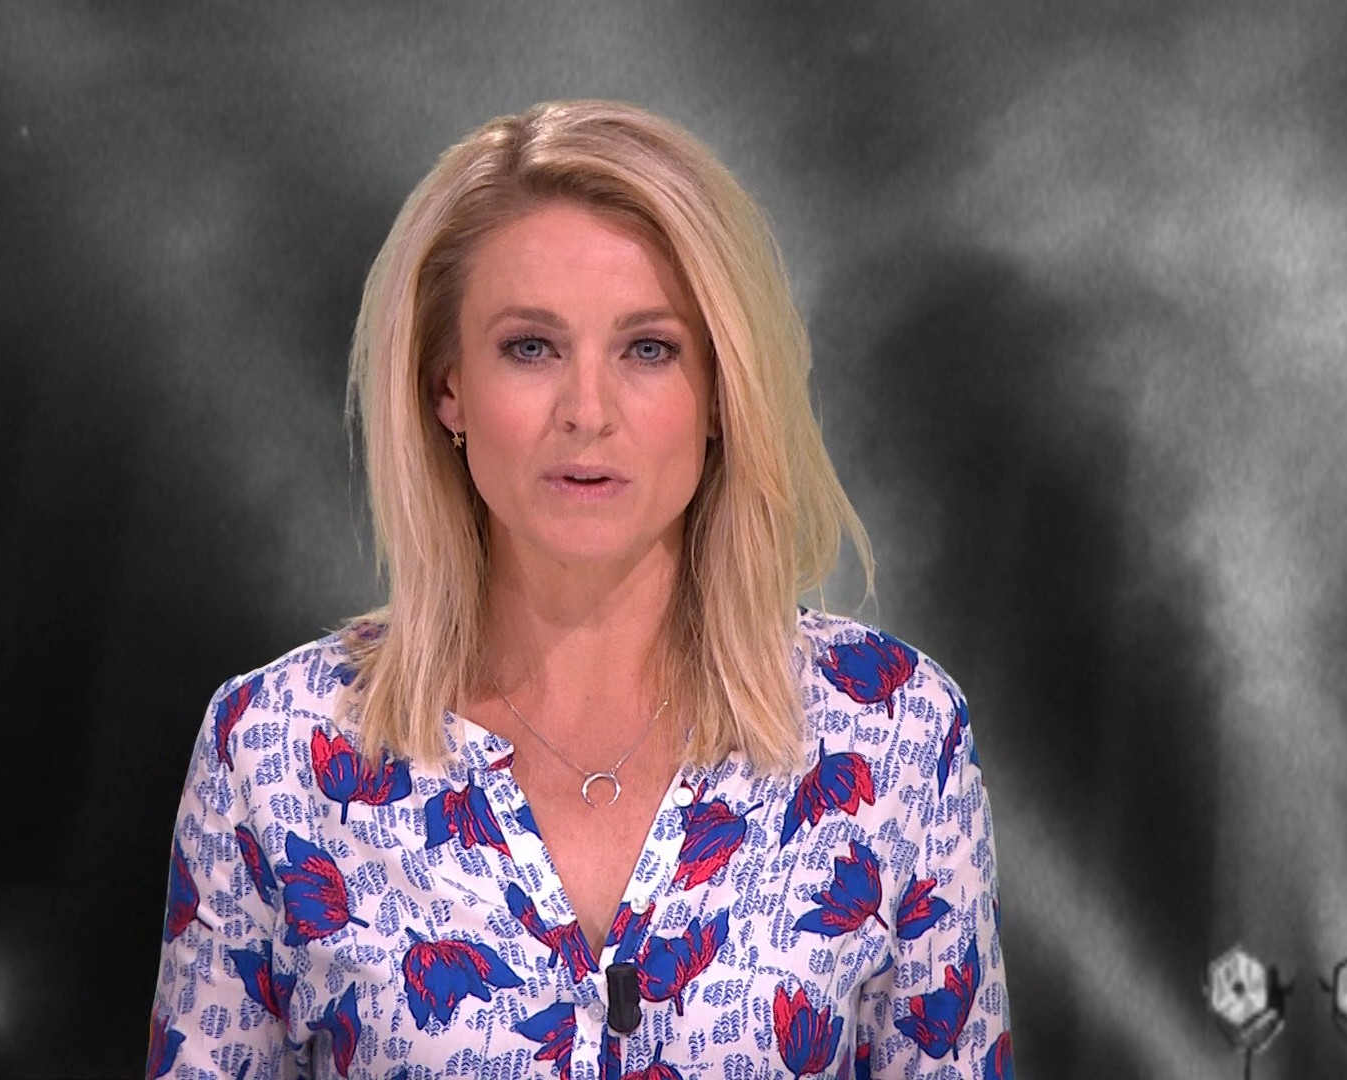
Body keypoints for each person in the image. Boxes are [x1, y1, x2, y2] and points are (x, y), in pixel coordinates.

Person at [148, 99, 1012, 1080]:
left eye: (649, 349)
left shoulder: (895, 734)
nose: (588, 412)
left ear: (721, 391)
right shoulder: (274, 749)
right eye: (532, 347)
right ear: (446, 387)